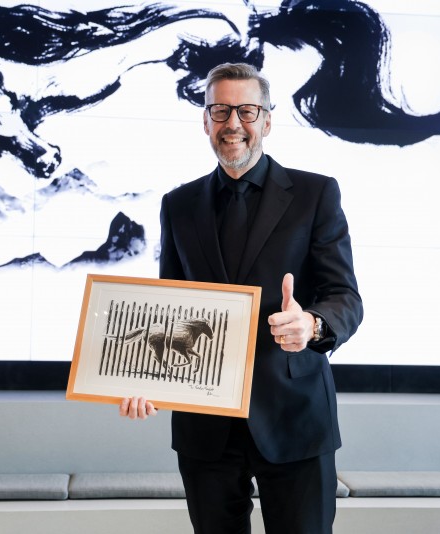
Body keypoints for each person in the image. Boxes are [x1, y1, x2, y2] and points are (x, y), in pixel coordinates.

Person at [119, 62, 363, 534]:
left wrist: (312, 324)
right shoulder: (178, 205)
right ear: (206, 121)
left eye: (247, 111)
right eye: (221, 111)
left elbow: (344, 296)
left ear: (266, 121)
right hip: (205, 427)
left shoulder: (316, 194)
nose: (233, 123)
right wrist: (144, 377)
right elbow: (169, 307)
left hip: (294, 417)